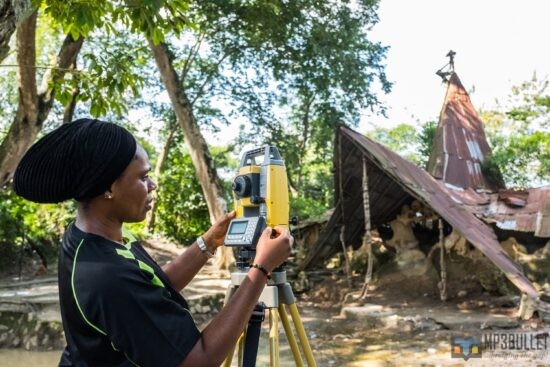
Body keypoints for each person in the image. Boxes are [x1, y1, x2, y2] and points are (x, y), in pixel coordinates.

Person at [13, 118, 293, 367]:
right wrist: (261, 269)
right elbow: (199, 359)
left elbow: (154, 287)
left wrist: (209, 242)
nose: (152, 186)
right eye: (143, 177)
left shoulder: (93, 238)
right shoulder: (105, 275)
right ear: (108, 188)